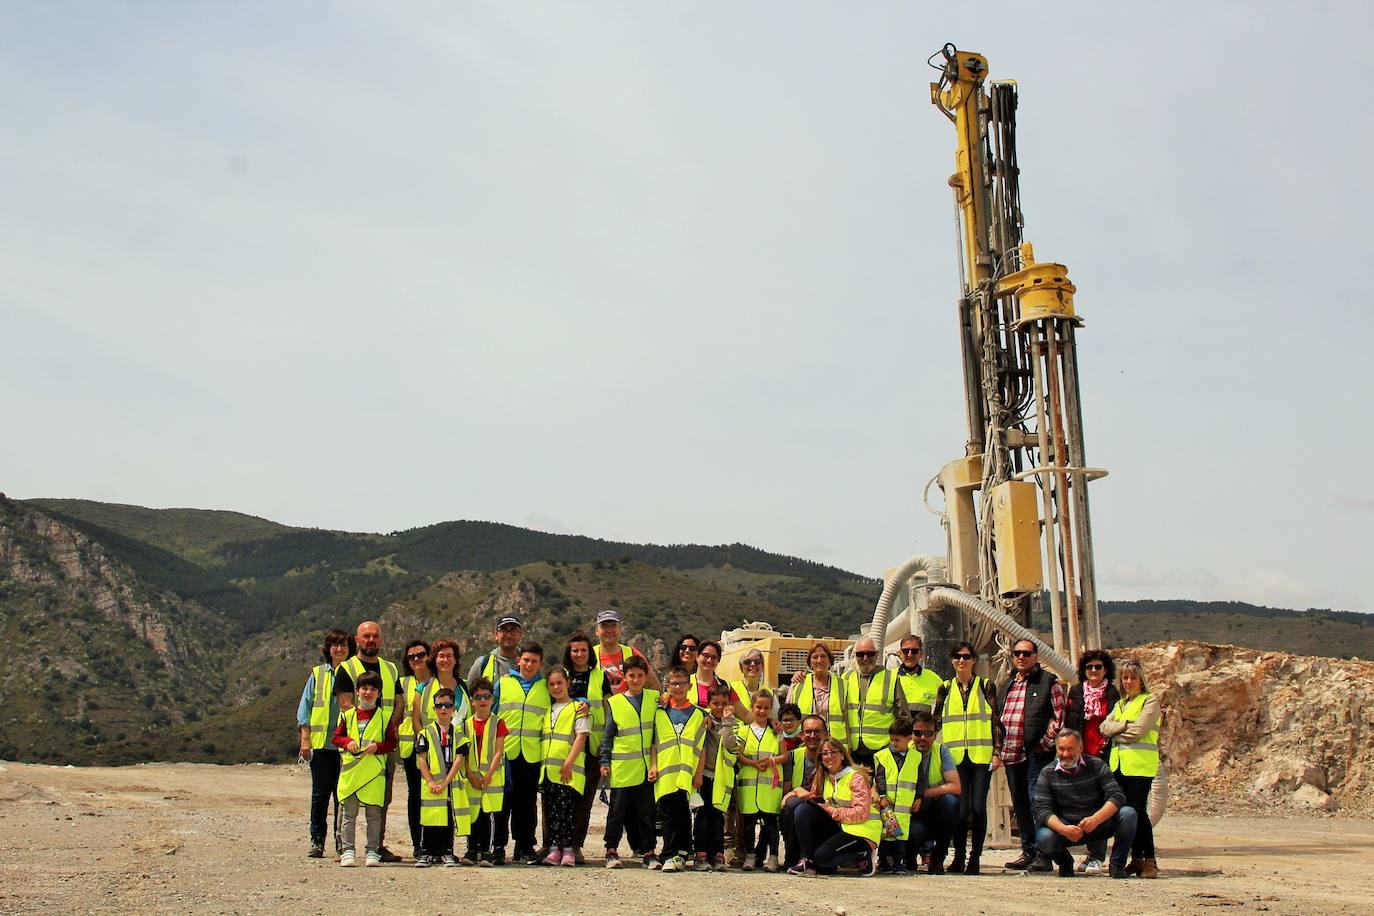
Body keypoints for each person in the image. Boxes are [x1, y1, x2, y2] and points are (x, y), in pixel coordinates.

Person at [335, 621, 405, 862]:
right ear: (357, 640)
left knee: (381, 797)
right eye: (366, 636)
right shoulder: (346, 668)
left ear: (381, 640)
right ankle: (343, 846)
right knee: (348, 797)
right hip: (355, 748)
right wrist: (357, 737)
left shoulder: (390, 669)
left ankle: (377, 846)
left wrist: (387, 730)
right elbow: (345, 703)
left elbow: (399, 703)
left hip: (381, 747)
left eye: (375, 636)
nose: (371, 640)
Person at [932, 640, 1001, 875]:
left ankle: (975, 858)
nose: (962, 661)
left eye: (966, 657)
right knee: (960, 810)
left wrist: (997, 752)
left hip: (981, 757)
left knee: (978, 808)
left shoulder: (986, 686)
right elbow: (936, 721)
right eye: (958, 657)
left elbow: (995, 721)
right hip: (955, 757)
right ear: (952, 661)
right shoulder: (945, 687)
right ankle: (959, 856)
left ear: (973, 660)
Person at [1033, 728, 1136, 879]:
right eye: (1061, 749)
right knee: (1043, 836)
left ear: (1080, 748)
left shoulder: (1096, 765)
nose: (1066, 754)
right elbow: (1042, 810)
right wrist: (1064, 829)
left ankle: (1117, 865)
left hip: (1097, 824)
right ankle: (1065, 863)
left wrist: (1096, 819)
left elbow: (1117, 796)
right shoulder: (1047, 773)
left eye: (1070, 749)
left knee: (1128, 814)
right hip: (1067, 826)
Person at [998, 638, 1065, 872]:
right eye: (1017, 653)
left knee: (1037, 801)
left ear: (1036, 656)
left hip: (1035, 755)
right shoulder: (1007, 683)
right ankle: (1028, 850)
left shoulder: (1049, 682)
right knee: (1021, 804)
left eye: (1026, 653)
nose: (1021, 657)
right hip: (1011, 754)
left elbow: (1059, 718)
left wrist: (1045, 744)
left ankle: (1043, 854)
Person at [1099, 659, 1161, 879]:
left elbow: (1139, 731)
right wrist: (1124, 725)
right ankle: (1135, 858)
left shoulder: (1150, 701)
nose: (1129, 681)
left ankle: (1149, 859)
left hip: (1139, 766)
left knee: (1138, 812)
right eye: (1125, 678)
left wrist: (1117, 729)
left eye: (1133, 677)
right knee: (1125, 814)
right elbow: (1103, 728)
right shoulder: (1121, 704)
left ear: (1141, 679)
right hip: (1119, 765)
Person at [783, 737, 880, 877]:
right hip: (840, 827)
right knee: (803, 809)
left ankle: (863, 854)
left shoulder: (855, 777)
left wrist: (831, 811)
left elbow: (861, 814)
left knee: (823, 858)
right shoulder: (823, 776)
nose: (829, 757)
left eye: (833, 752)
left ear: (842, 755)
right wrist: (793, 792)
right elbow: (813, 800)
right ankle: (807, 860)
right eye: (824, 753)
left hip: (861, 831)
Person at [332, 671, 398, 867]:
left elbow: (392, 743)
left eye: (373, 689)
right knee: (349, 815)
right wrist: (348, 741)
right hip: (351, 774)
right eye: (364, 688)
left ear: (379, 693)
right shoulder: (348, 715)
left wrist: (378, 747)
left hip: (374, 774)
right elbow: (336, 738)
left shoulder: (385, 717)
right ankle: (348, 851)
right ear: (357, 691)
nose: (368, 692)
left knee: (373, 815)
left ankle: (372, 851)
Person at [600, 655, 660, 868]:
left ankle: (649, 851)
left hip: (646, 768)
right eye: (631, 675)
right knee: (617, 812)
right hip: (622, 768)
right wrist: (604, 761)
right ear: (624, 677)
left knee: (646, 813)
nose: (636, 679)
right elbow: (608, 736)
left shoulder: (655, 698)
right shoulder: (615, 703)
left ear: (646, 677)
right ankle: (611, 850)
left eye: (640, 675)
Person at [1064, 648, 1119, 875]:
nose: (1094, 671)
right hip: (1081, 755)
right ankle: (1088, 851)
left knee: (1100, 805)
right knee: (1083, 803)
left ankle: (1097, 854)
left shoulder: (1114, 694)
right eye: (1090, 667)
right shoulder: (1076, 693)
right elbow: (1069, 722)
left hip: (1104, 754)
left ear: (1106, 670)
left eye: (1098, 667)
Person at [297, 629, 352, 858]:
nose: (339, 649)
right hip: (321, 745)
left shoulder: (353, 674)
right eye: (335, 645)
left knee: (343, 796)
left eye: (344, 645)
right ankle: (317, 841)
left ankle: (341, 843)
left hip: (346, 746)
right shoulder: (318, 674)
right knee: (320, 795)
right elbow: (305, 707)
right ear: (328, 649)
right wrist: (305, 739)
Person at [494, 641, 549, 866]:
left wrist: (583, 702)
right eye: (526, 660)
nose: (529, 664)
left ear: (540, 664)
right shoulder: (503, 684)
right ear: (519, 660)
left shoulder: (545, 688)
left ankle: (525, 846)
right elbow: (492, 714)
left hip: (531, 754)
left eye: (534, 661)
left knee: (526, 804)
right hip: (505, 753)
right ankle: (497, 846)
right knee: (502, 802)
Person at [650, 666, 709, 872]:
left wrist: (699, 773)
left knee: (683, 815)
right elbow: (654, 744)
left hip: (686, 775)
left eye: (682, 683)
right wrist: (654, 766)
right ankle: (669, 853)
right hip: (665, 774)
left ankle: (682, 852)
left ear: (689, 686)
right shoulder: (659, 712)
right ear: (667, 685)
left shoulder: (699, 715)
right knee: (667, 816)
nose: (677, 687)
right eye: (673, 683)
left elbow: (701, 748)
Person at [563, 631, 612, 864]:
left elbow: (609, 708)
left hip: (592, 747)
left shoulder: (600, 677)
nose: (579, 654)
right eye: (575, 650)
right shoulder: (560, 676)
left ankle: (576, 845)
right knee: (560, 796)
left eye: (583, 650)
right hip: (565, 747)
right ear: (569, 653)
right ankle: (554, 843)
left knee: (584, 798)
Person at [414, 687, 470, 867]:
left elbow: (459, 760)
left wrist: (446, 782)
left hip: (450, 784)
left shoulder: (460, 734)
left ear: (454, 708)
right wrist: (431, 781)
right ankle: (426, 852)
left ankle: (447, 851)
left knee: (447, 819)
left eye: (447, 705)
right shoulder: (425, 733)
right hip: (430, 784)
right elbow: (421, 760)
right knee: (429, 818)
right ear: (434, 708)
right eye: (439, 706)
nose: (443, 709)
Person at [541, 665, 590, 867]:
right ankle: (553, 848)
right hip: (549, 772)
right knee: (552, 812)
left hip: (567, 771)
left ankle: (568, 849)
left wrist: (569, 762)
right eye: (551, 684)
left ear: (568, 683)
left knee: (568, 812)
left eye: (559, 682)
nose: (556, 687)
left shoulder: (577, 708)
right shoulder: (548, 710)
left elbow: (581, 736)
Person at [735, 689, 785, 872]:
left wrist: (772, 760)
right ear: (752, 707)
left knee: (771, 824)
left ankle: (773, 857)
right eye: (759, 707)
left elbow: (784, 756)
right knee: (748, 824)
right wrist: (753, 763)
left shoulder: (776, 731)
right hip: (749, 785)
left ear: (771, 709)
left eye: (766, 708)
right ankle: (750, 855)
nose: (762, 711)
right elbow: (738, 755)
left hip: (769, 786)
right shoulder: (744, 730)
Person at [694, 682, 740, 870]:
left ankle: (717, 853)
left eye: (723, 703)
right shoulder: (703, 720)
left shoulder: (733, 723)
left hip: (722, 777)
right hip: (705, 774)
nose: (720, 707)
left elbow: (728, 743)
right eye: (716, 703)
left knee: (718, 816)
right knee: (702, 815)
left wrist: (727, 722)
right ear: (709, 703)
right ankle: (701, 853)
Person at [909, 709, 961, 875]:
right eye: (918, 733)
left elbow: (955, 787)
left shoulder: (941, 751)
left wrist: (922, 794)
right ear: (911, 733)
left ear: (936, 734)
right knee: (914, 831)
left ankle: (938, 857)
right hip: (912, 813)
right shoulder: (904, 751)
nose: (923, 738)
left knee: (951, 802)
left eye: (928, 733)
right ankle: (907, 858)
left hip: (935, 810)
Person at [462, 677, 507, 866]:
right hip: (471, 778)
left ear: (492, 699)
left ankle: (487, 851)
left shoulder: (498, 723)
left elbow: (499, 751)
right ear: (472, 700)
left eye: (486, 696)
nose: (482, 700)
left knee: (489, 815)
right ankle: (472, 850)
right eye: (478, 697)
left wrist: (488, 775)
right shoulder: (465, 725)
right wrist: (470, 774)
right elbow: (462, 754)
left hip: (492, 778)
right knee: (472, 814)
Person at [844, 637, 907, 770]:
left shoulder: (891, 678)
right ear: (855, 656)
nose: (865, 658)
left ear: (877, 654)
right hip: (852, 752)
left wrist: (896, 746)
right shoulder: (846, 678)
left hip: (882, 751)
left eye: (870, 654)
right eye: (861, 654)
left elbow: (903, 717)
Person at [397, 639, 433, 858]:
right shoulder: (402, 683)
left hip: (436, 749)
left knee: (435, 796)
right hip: (410, 748)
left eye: (421, 655)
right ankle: (418, 844)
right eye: (412, 657)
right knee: (415, 797)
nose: (417, 659)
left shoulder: (438, 682)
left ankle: (434, 843)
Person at [872, 717, 921, 875]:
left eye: (897, 740)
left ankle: (899, 862)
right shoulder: (883, 756)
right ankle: (884, 861)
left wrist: (919, 797)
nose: (893, 743)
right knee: (886, 835)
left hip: (905, 806)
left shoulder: (916, 757)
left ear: (909, 738)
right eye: (891, 739)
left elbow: (921, 780)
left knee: (901, 837)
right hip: (888, 804)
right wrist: (882, 795)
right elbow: (880, 778)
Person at [780, 714, 828, 870]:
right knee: (792, 806)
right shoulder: (792, 756)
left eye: (817, 731)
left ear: (825, 734)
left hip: (826, 807)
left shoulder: (831, 756)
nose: (812, 736)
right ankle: (793, 855)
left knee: (799, 807)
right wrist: (793, 793)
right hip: (798, 805)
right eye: (808, 732)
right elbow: (786, 790)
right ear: (801, 735)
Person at [790, 643, 849, 747]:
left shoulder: (843, 685)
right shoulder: (798, 685)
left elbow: (849, 719)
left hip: (834, 747)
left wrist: (849, 747)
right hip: (806, 746)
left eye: (823, 656)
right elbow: (790, 718)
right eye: (815, 657)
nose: (819, 660)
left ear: (830, 660)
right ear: (809, 662)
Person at [593, 609, 660, 692]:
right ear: (597, 631)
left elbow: (653, 685)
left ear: (620, 629)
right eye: (604, 626)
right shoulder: (589, 655)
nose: (609, 630)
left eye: (613, 625)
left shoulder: (632, 653)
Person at [691, 640, 749, 720]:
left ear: (718, 661)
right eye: (705, 655)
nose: (709, 660)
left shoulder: (725, 685)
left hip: (719, 731)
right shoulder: (685, 682)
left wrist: (768, 721)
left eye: (714, 657)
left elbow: (745, 715)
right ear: (697, 657)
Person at [896, 635, 944, 717]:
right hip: (898, 729)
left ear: (921, 654)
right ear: (900, 653)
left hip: (924, 729)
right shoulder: (890, 678)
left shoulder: (934, 679)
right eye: (906, 651)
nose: (910, 654)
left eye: (914, 651)